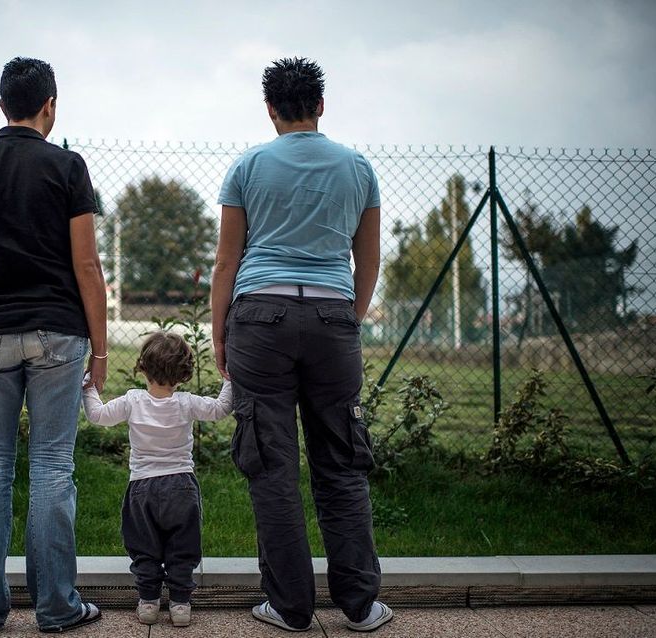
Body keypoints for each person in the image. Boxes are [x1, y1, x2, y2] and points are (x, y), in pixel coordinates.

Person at [210, 57, 393, 633]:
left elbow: (225, 262)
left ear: (270, 109)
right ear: (320, 105)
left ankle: (289, 608)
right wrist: (349, 317)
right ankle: (361, 606)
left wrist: (221, 333)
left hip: (258, 318)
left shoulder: (247, 167)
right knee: (342, 462)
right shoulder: (358, 168)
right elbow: (369, 259)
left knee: (271, 466)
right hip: (334, 316)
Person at [0, 56, 108, 634]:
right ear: (49, 105)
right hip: (58, 332)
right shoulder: (67, 167)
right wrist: (101, 351)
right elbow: (86, 264)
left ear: (2, 104)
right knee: (54, 467)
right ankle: (58, 608)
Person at [82, 331, 232, 628]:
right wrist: (230, 379)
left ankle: (148, 601)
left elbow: (97, 416)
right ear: (183, 373)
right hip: (181, 486)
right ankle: (180, 603)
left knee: (144, 546)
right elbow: (222, 408)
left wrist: (88, 386)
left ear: (143, 367)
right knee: (183, 546)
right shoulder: (187, 403)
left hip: (142, 488)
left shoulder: (132, 400)